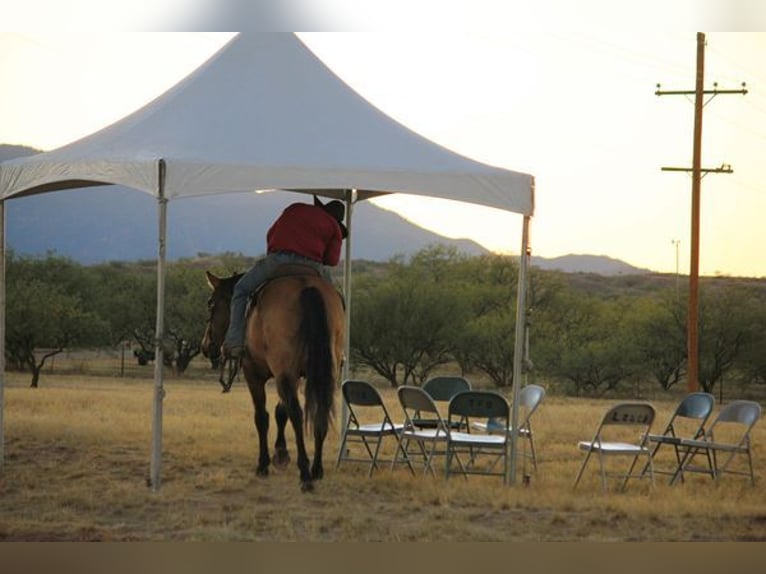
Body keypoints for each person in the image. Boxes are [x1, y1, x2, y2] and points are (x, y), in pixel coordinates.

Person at [222, 196, 348, 358]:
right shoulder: (334, 228)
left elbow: (271, 234)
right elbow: (331, 260)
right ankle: (338, 350)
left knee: (241, 290)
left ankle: (234, 341)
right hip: (313, 265)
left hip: (278, 260)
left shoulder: (295, 208)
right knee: (336, 300)